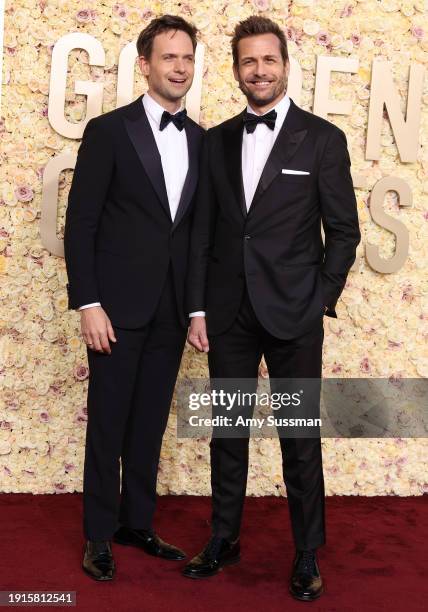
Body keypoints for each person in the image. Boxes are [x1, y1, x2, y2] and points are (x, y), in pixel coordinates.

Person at [183, 16, 360, 602]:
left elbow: (343, 231)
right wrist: (198, 309)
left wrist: (320, 299)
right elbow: (204, 232)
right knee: (227, 433)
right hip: (228, 313)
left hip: (294, 315)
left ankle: (307, 553)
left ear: (285, 65)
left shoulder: (322, 139)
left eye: (268, 60)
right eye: (247, 62)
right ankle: (224, 539)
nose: (258, 70)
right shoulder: (216, 140)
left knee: (298, 438)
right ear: (236, 70)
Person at [64, 15, 204, 581]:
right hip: (115, 309)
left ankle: (137, 522)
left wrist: (196, 309)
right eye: (169, 57)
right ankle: (98, 534)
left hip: (171, 310)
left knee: (149, 425)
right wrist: (88, 303)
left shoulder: (202, 139)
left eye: (187, 58)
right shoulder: (109, 131)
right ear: (145, 65)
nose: (179, 67)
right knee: (109, 423)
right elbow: (82, 224)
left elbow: (195, 235)